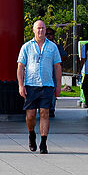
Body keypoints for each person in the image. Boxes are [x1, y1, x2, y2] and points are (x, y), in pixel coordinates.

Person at [18, 17, 63, 153]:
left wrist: (58, 85)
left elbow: (57, 66)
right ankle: (32, 134)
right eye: (38, 28)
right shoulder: (26, 46)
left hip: (47, 85)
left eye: (43, 28)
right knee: (31, 115)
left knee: (45, 113)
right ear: (33, 30)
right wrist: (21, 85)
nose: (41, 30)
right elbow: (20, 66)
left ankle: (43, 142)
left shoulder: (52, 47)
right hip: (31, 84)